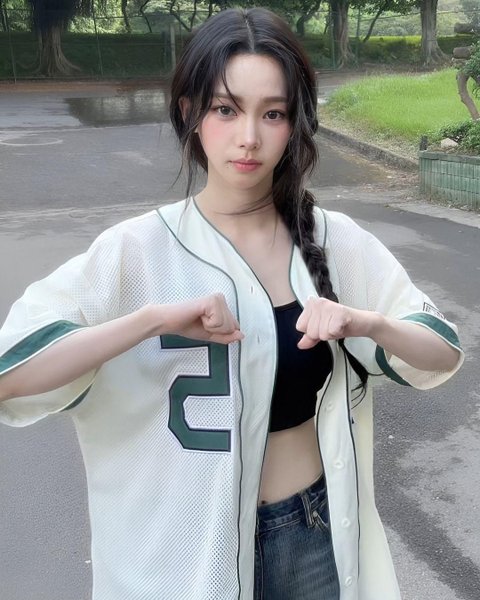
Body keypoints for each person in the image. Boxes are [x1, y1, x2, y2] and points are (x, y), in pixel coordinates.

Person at [0, 8, 463, 600]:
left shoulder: (334, 240)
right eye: (226, 109)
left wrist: (365, 321)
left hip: (313, 534)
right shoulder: (136, 251)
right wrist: (150, 320)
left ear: (294, 124)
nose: (249, 137)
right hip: (186, 556)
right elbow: (12, 376)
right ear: (191, 113)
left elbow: (441, 353)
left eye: (272, 113)